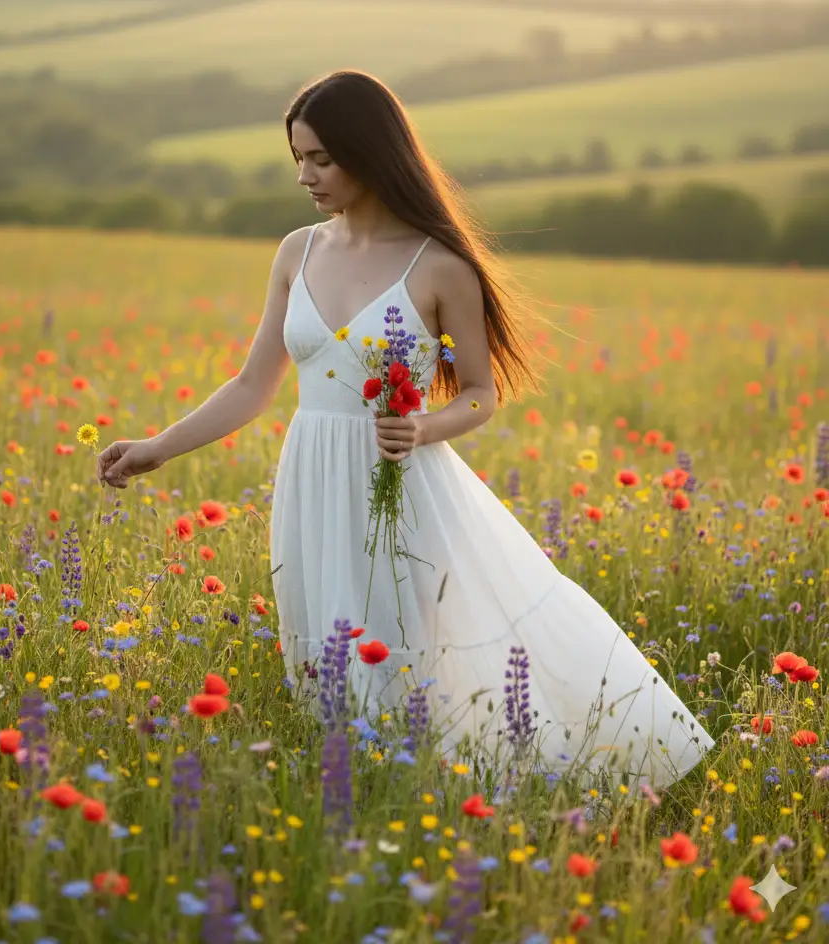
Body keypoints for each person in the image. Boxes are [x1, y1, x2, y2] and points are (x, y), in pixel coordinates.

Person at [97, 70, 715, 791]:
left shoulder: (440, 267)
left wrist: (422, 428)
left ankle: (451, 782)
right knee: (326, 643)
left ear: (370, 152)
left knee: (411, 642)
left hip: (402, 482)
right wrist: (155, 448)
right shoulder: (297, 252)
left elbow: (481, 396)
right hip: (313, 479)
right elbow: (250, 386)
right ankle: (356, 785)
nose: (305, 176)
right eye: (297, 158)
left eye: (322, 159)